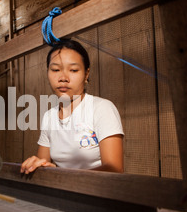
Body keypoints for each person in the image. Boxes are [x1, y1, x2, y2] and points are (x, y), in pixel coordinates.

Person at [20, 38, 124, 174]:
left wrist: (60, 175)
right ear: (47, 73)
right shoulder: (49, 117)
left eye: (73, 70)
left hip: (99, 193)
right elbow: (42, 164)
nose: (63, 78)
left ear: (86, 74)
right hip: (62, 193)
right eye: (56, 69)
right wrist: (35, 165)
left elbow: (114, 169)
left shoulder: (102, 108)